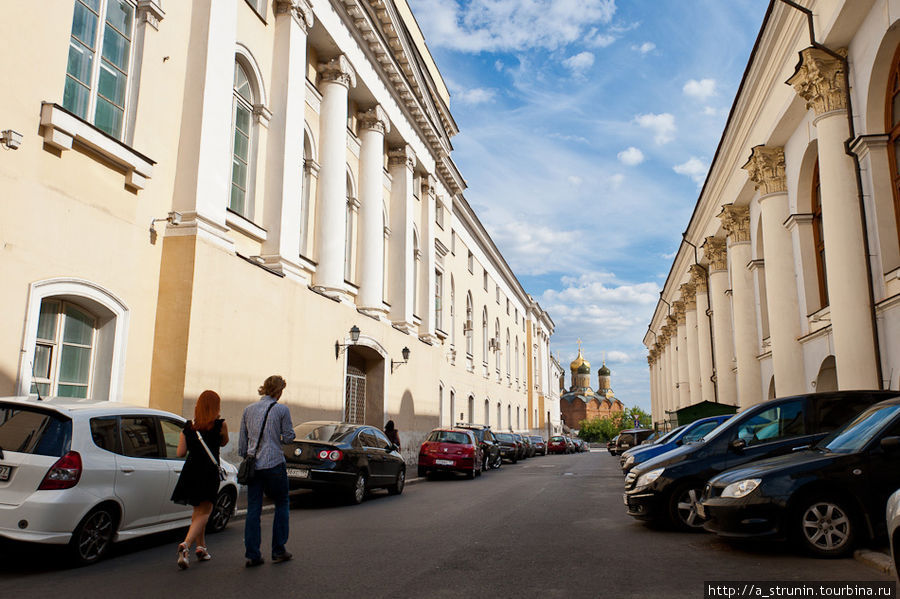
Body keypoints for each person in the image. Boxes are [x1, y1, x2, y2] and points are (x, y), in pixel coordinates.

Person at [239, 375, 295, 567]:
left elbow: (242, 446)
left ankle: (253, 554)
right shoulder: (281, 410)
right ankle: (278, 549)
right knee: (282, 502)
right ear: (279, 391)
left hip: (254, 466)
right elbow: (288, 437)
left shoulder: (248, 410)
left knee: (253, 508)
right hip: (274, 464)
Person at [171, 390, 229, 570]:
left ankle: (201, 548)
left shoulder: (188, 428)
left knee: (198, 511)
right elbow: (224, 442)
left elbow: (180, 453)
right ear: (216, 407)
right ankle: (186, 545)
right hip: (208, 472)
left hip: (190, 472)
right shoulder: (220, 425)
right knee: (206, 511)